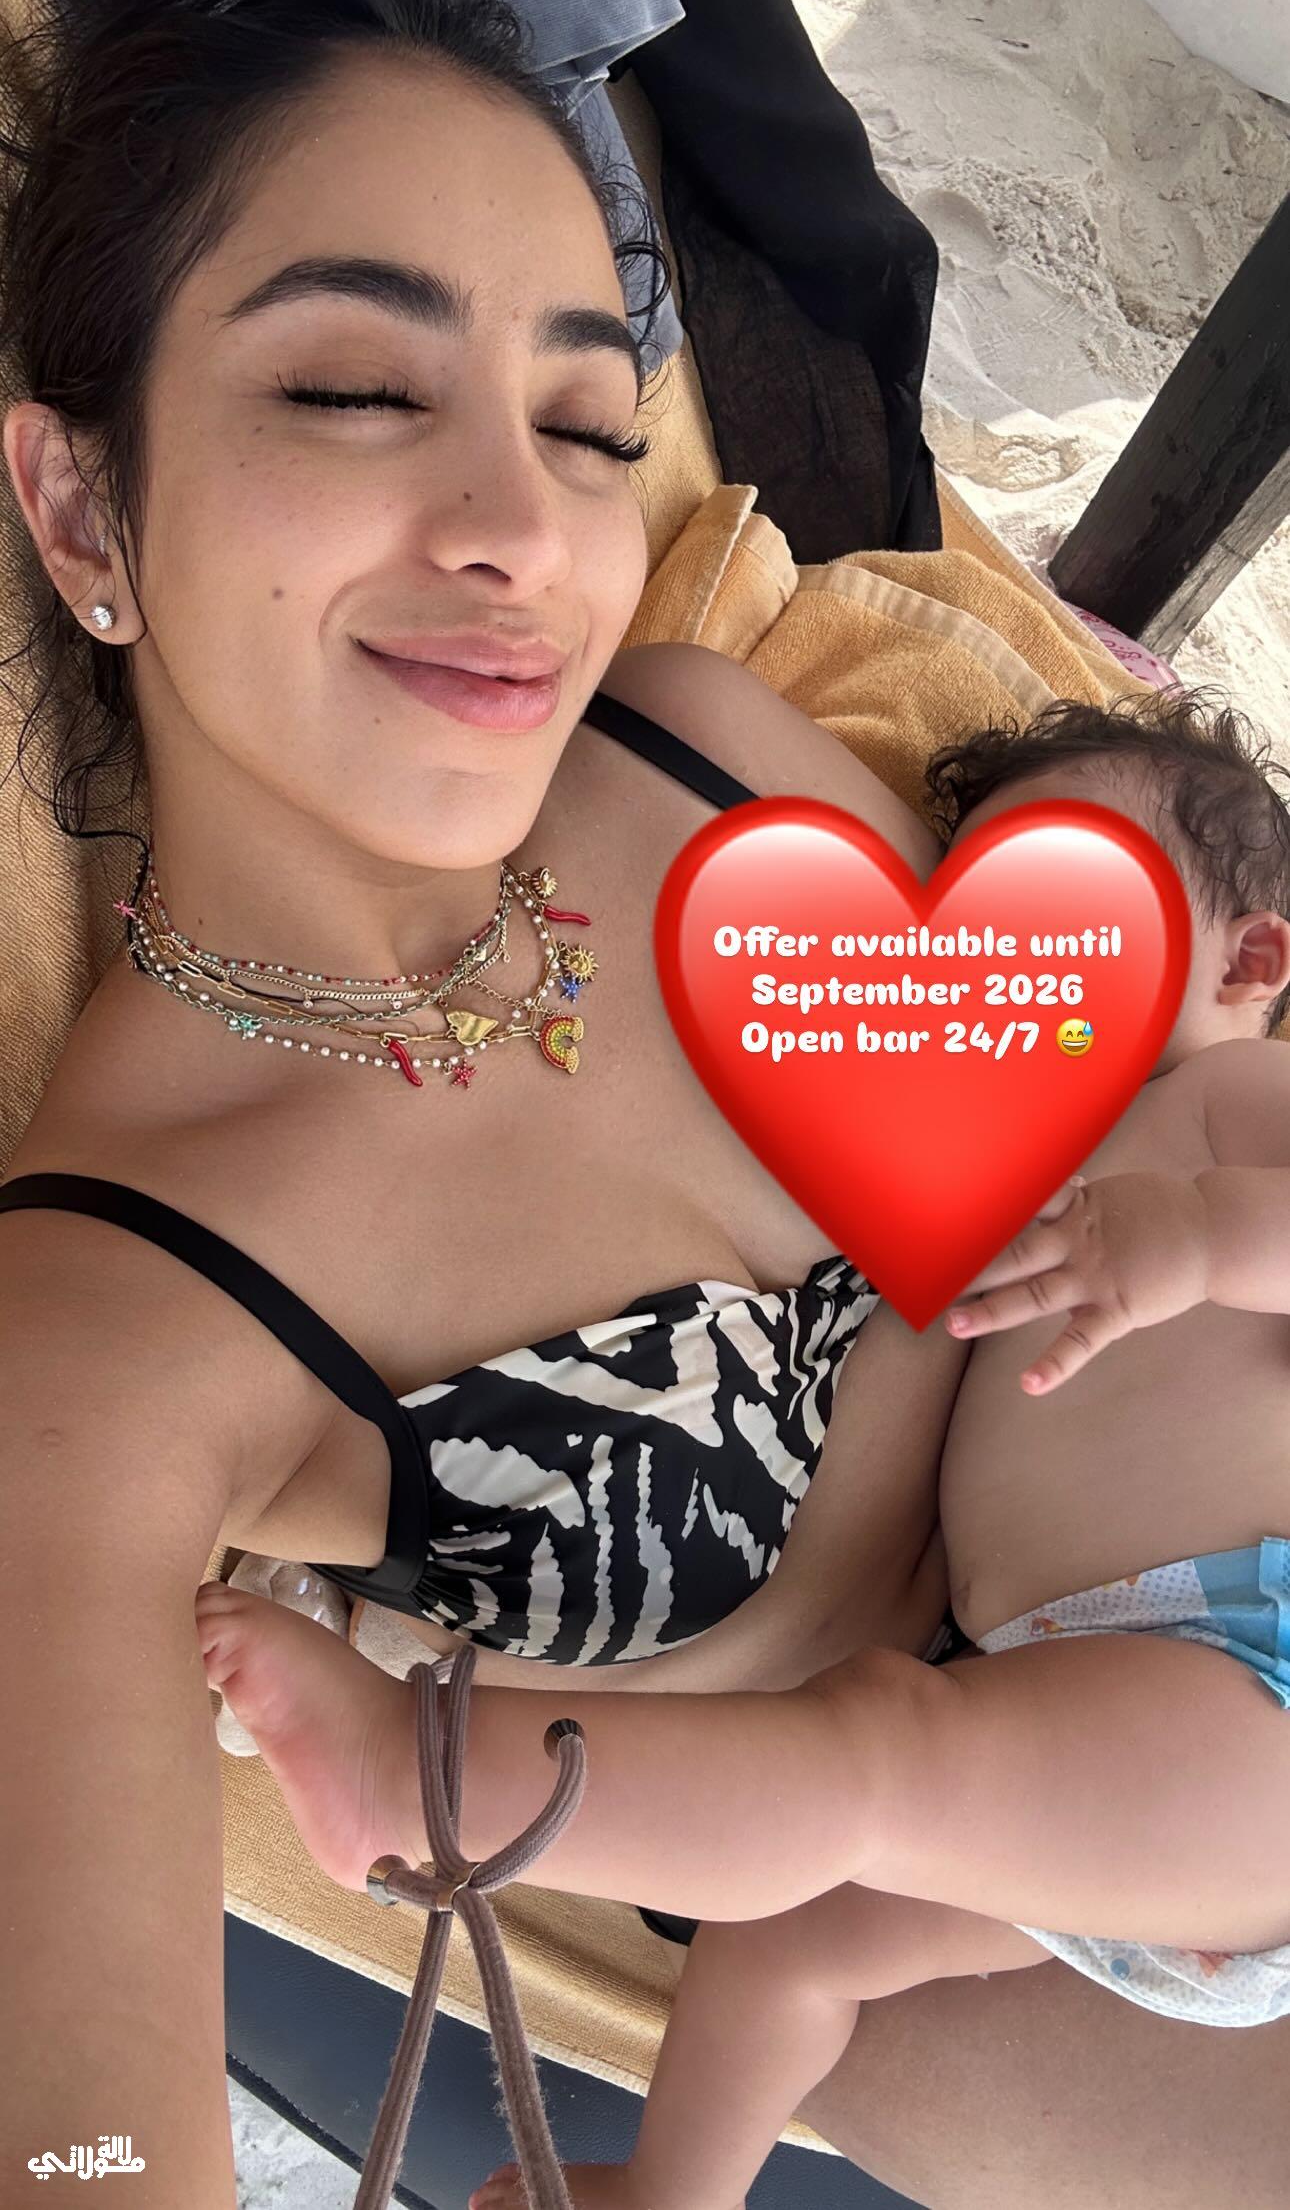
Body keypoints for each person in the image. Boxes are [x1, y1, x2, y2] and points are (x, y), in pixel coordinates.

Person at [0, 0, 952, 2203]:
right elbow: (87, 2136)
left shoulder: (708, 758)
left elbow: (1132, 1088)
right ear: (85, 510)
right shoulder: (107, 1332)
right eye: (356, 391)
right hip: (965, 1955)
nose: (528, 534)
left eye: (592, 424)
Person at [193, 690, 1290, 2210]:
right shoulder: (1024, 1137)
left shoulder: (1240, 1100)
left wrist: (1198, 1237)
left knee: (871, 1758)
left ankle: (411, 1778)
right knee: (791, 1931)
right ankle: (672, 2191)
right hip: (1092, 1704)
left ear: (1248, 960)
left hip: (1250, 1685)